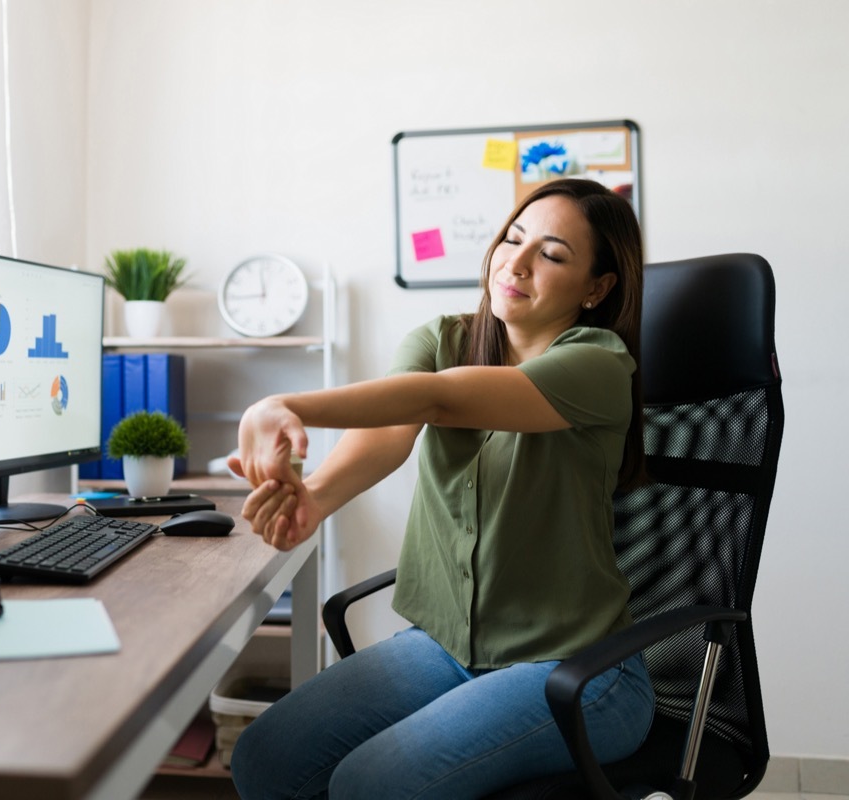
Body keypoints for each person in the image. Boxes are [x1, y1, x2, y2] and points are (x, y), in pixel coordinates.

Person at [226, 178, 655, 800]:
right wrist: (314, 497)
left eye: (553, 254)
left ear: (597, 288)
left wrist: (281, 403)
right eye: (513, 238)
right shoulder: (439, 339)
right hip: (448, 649)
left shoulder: (599, 364)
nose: (517, 261)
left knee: (370, 785)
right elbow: (390, 432)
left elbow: (439, 399)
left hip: (579, 671)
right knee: (264, 760)